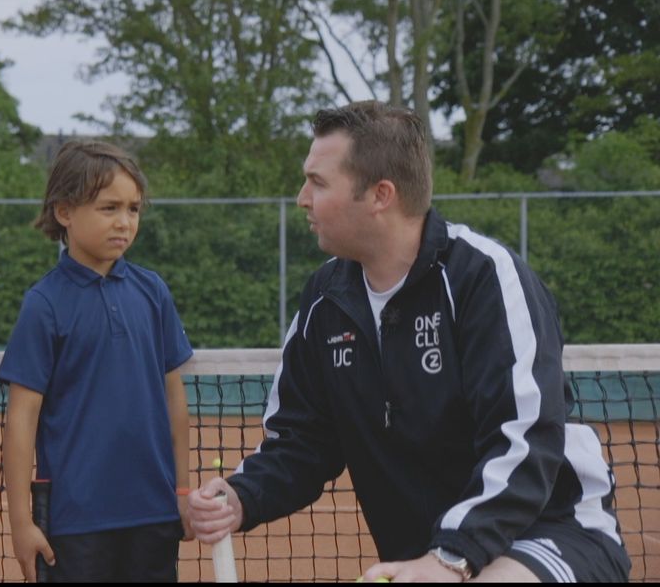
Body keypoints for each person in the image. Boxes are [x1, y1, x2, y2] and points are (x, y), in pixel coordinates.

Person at [187, 101, 631, 583]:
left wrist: (451, 558)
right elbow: (302, 443)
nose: (301, 198)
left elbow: (524, 440)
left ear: (380, 195)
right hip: (430, 553)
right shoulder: (324, 300)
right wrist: (241, 496)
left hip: (549, 533)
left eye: (317, 182)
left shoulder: (484, 277)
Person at [0, 140, 194, 582]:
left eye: (133, 209)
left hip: (154, 515)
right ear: (65, 212)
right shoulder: (43, 303)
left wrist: (181, 491)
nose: (124, 222)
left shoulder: (153, 292)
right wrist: (21, 522)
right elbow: (21, 420)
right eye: (109, 208)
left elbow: (174, 401)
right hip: (75, 524)